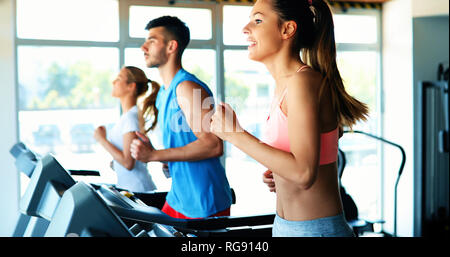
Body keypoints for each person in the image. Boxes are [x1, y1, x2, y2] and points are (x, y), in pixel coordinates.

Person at [210, 0, 368, 237]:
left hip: (315, 231)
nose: (245, 28)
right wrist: (281, 173)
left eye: (258, 20)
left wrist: (235, 135)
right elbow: (302, 166)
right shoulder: (284, 86)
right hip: (286, 227)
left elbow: (304, 174)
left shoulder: (302, 82)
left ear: (287, 30)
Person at [130, 16, 233, 219]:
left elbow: (213, 145)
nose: (143, 47)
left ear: (171, 46)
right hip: (179, 197)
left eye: (151, 40)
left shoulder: (188, 87)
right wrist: (169, 159)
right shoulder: (163, 94)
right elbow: (191, 142)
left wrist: (154, 155)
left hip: (204, 201)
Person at [94, 66, 159, 193]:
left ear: (131, 86)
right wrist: (116, 164)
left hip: (139, 191)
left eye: (118, 79)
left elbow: (128, 163)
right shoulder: (128, 116)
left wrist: (102, 140)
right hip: (131, 189)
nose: (113, 82)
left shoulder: (130, 118)